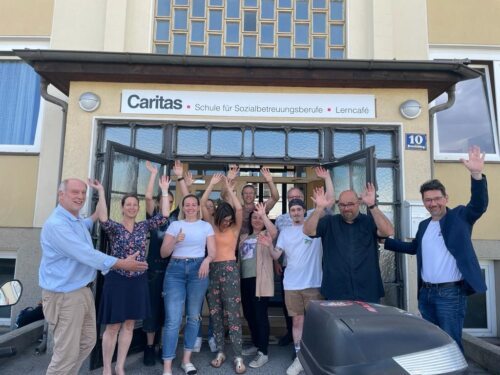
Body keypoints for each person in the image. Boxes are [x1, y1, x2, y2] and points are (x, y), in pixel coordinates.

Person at [383, 145, 488, 352]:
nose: (433, 203)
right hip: (426, 294)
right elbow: (414, 248)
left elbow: (479, 204)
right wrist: (385, 242)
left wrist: (476, 175)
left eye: (437, 198)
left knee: (450, 344)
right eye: (428, 200)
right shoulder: (424, 226)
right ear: (423, 202)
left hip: (450, 294)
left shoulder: (460, 217)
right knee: (432, 343)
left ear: (446, 198)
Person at [39, 178, 148, 375]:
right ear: (61, 194)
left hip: (82, 291)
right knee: (66, 354)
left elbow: (95, 217)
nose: (80, 196)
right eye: (75, 192)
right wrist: (123, 263)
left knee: (87, 342)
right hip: (65, 296)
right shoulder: (57, 225)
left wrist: (101, 193)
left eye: (83, 193)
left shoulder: (77, 221)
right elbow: (87, 255)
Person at [92, 177, 170, 375]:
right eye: (129, 204)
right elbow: (102, 218)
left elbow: (164, 216)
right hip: (117, 280)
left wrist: (164, 190)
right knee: (113, 326)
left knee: (128, 325)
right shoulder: (115, 228)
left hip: (137, 280)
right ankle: (107, 367)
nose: (132, 207)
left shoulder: (143, 227)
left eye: (135, 204)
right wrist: (101, 192)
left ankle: (120, 366)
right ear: (123, 207)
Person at [261, 199, 323, 375]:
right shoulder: (286, 232)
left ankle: (314, 355)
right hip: (291, 284)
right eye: (292, 210)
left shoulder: (316, 229)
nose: (296, 213)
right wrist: (268, 246)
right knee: (297, 321)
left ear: (305, 211)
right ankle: (299, 357)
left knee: (314, 324)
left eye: (298, 209)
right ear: (289, 213)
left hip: (313, 284)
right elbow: (276, 255)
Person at [274, 167, 334, 347]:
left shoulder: (313, 216)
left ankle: (312, 350)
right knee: (294, 316)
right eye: (291, 199)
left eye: (297, 198)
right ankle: (296, 347)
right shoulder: (281, 220)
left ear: (303, 203)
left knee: (313, 319)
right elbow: (278, 245)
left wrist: (327, 177)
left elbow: (329, 202)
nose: (295, 205)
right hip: (289, 272)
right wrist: (275, 260)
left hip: (312, 276)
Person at [303, 183, 394, 302]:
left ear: (358, 203)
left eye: (350, 204)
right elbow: (307, 230)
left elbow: (388, 231)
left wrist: (372, 206)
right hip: (336, 291)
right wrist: (319, 208)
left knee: (368, 321)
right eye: (342, 205)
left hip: (368, 290)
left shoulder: (368, 221)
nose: (346, 208)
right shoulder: (330, 222)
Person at [160, 194, 216, 375]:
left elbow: (212, 251)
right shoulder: (175, 225)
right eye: (187, 205)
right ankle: (167, 366)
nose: (190, 207)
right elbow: (163, 253)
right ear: (183, 207)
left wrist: (207, 260)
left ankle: (186, 360)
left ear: (198, 207)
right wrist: (176, 241)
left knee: (193, 317)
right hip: (175, 270)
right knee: (173, 320)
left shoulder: (205, 226)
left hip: (197, 270)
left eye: (194, 204)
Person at [142, 160, 191, 366]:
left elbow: (188, 200)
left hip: (172, 270)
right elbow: (147, 197)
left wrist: (180, 178)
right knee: (152, 309)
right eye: (165, 199)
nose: (167, 202)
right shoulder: (153, 218)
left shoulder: (175, 219)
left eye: (170, 200)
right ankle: (149, 348)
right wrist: (154, 175)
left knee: (170, 311)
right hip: (154, 269)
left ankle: (164, 347)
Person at [201, 173, 246, 373]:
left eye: (229, 220)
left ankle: (238, 356)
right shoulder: (211, 226)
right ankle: (220, 351)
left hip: (230, 270)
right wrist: (211, 184)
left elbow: (239, 208)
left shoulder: (234, 229)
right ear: (218, 217)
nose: (228, 222)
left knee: (233, 314)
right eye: (225, 219)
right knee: (215, 313)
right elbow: (203, 203)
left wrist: (229, 189)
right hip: (213, 270)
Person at [239, 203, 277, 369]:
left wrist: (264, 215)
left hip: (260, 280)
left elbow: (275, 232)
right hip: (245, 279)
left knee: (260, 315)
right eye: (254, 217)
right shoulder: (244, 237)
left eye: (260, 218)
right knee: (249, 313)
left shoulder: (267, 234)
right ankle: (256, 343)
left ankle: (263, 352)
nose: (257, 220)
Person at [229, 165, 279, 235]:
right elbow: (225, 196)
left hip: (258, 241)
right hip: (240, 243)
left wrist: (270, 181)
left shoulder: (260, 208)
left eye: (251, 193)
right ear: (242, 195)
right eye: (246, 193)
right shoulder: (237, 209)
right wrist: (229, 180)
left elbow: (275, 198)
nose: (248, 195)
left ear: (255, 195)